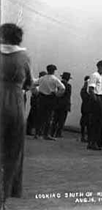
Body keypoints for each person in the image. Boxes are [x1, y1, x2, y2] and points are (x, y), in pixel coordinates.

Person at [0, 24, 33, 209]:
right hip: (14, 105)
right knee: (12, 153)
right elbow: (28, 83)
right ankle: (2, 199)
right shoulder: (23, 56)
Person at [37, 64, 65, 141]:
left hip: (41, 97)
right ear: (53, 71)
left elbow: (33, 84)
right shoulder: (54, 79)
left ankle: (38, 133)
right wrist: (57, 94)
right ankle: (46, 134)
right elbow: (62, 88)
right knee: (49, 116)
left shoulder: (42, 78)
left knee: (40, 115)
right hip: (50, 98)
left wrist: (36, 92)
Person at [87, 60, 102, 150]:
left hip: (100, 97)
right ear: (98, 67)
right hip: (97, 97)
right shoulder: (95, 75)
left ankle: (94, 142)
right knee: (96, 121)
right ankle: (92, 142)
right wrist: (96, 100)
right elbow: (91, 89)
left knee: (98, 122)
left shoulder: (101, 76)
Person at [51, 72, 72, 138]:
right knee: (61, 120)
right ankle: (58, 133)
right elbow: (68, 96)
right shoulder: (68, 86)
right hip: (64, 105)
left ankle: (52, 132)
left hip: (57, 104)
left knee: (55, 119)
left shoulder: (57, 84)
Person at [26, 71, 46, 136]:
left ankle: (30, 130)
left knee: (33, 115)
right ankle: (32, 130)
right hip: (37, 99)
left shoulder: (38, 82)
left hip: (35, 99)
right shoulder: (38, 82)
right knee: (35, 115)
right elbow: (34, 90)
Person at [80, 76, 91, 142]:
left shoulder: (83, 90)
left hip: (84, 107)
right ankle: (85, 136)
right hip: (87, 108)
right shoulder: (86, 91)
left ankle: (83, 136)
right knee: (87, 123)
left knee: (84, 123)